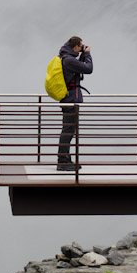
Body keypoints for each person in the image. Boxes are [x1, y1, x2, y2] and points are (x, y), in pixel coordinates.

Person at [56, 36, 93, 172]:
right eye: (80, 46)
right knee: (68, 130)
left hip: (69, 98)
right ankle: (62, 161)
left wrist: (83, 55)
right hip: (70, 99)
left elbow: (80, 69)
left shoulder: (66, 58)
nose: (82, 48)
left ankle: (66, 159)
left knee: (69, 129)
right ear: (75, 47)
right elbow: (88, 69)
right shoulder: (69, 60)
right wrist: (87, 54)